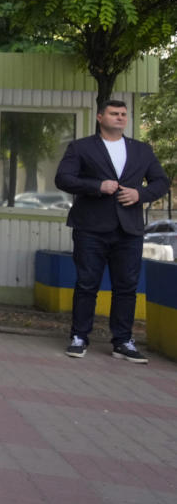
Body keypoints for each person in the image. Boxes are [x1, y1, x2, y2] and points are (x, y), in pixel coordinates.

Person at [54, 99, 169, 363]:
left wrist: (140, 193)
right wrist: (97, 186)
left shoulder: (141, 150)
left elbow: (161, 181)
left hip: (129, 230)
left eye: (123, 114)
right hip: (90, 228)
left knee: (127, 287)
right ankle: (79, 337)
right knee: (86, 284)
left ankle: (123, 341)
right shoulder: (81, 147)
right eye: (114, 113)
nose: (120, 118)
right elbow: (63, 178)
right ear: (100, 117)